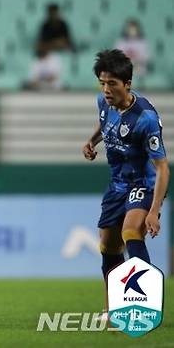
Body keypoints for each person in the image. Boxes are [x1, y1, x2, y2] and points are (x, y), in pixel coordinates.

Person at [82, 49, 169, 320]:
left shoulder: (146, 118)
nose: (106, 89)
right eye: (102, 83)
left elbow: (162, 167)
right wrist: (92, 141)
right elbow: (104, 123)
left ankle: (143, 306)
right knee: (108, 246)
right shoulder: (103, 102)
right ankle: (113, 308)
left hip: (142, 183)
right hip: (117, 184)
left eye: (112, 84)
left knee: (132, 231)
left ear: (127, 84)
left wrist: (154, 211)